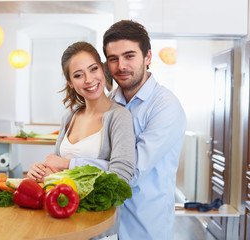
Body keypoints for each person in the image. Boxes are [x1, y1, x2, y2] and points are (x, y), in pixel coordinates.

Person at [101, 20, 187, 239]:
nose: (121, 66)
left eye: (129, 56)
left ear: (147, 57)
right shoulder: (108, 103)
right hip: (107, 226)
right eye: (113, 59)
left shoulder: (165, 106)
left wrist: (71, 164)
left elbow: (131, 172)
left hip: (145, 229)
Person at [27, 41, 136, 185]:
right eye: (78, 75)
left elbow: (122, 174)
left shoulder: (119, 116)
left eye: (93, 69)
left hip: (97, 208)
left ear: (103, 69)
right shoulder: (69, 117)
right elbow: (54, 165)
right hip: (63, 204)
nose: (89, 79)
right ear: (70, 83)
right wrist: (39, 171)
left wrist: (68, 165)